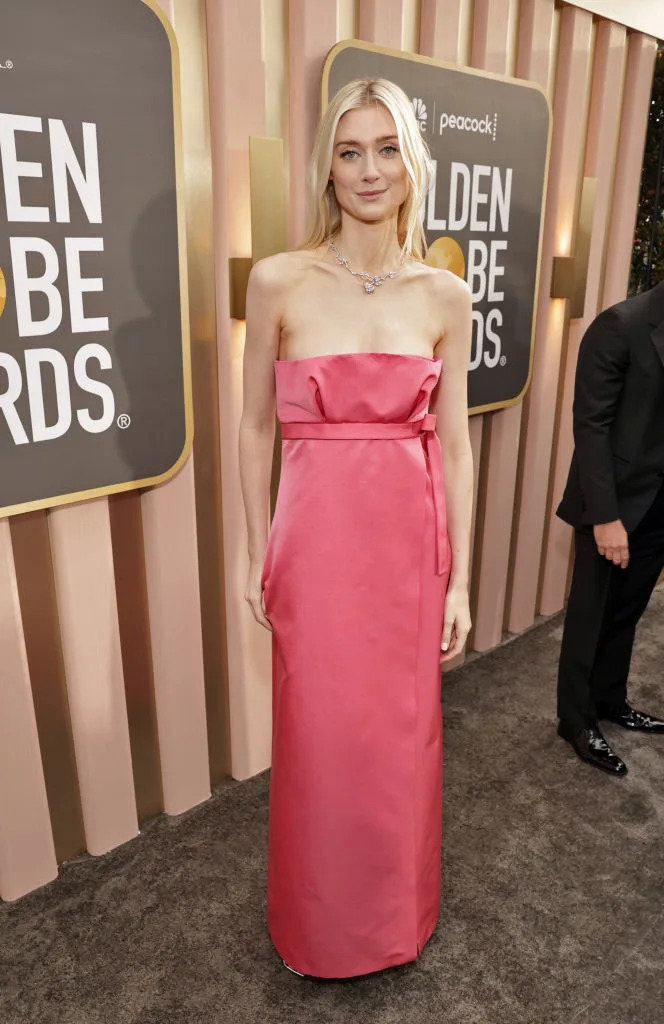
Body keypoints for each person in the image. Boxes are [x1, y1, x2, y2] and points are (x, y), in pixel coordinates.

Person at [239, 77, 473, 979]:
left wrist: (458, 578)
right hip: (314, 545)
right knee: (317, 738)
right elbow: (256, 425)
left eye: (385, 149)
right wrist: (243, 552)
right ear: (325, 167)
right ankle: (316, 926)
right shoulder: (279, 280)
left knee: (400, 740)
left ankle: (393, 919)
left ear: (411, 164)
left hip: (408, 549)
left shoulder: (443, 295)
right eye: (349, 151)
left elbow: (454, 445)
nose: (368, 170)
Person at [556, 280, 664, 777]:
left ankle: (610, 700)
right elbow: (591, 425)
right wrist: (605, 517)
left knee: (628, 610)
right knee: (591, 613)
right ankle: (576, 720)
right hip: (614, 502)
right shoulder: (620, 325)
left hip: (659, 503)